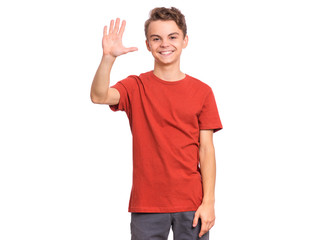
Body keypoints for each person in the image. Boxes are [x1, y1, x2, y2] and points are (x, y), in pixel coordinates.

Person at [90, 7, 222, 240]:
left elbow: (206, 150)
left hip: (192, 203)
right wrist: (108, 58)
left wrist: (209, 202)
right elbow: (99, 96)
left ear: (185, 40)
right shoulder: (135, 86)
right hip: (147, 204)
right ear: (148, 44)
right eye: (156, 38)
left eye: (172, 37)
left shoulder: (203, 92)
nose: (165, 44)